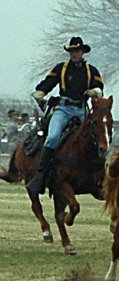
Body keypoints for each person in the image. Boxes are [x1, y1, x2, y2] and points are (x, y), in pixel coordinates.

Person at [27, 37, 104, 194]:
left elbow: (99, 86)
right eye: (72, 51)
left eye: (77, 51)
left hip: (82, 109)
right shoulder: (61, 68)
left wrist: (94, 91)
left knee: (97, 137)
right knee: (53, 136)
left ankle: (100, 174)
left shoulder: (91, 70)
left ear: (82, 52)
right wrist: (40, 92)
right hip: (63, 109)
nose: (74, 54)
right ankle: (41, 174)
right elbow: (48, 82)